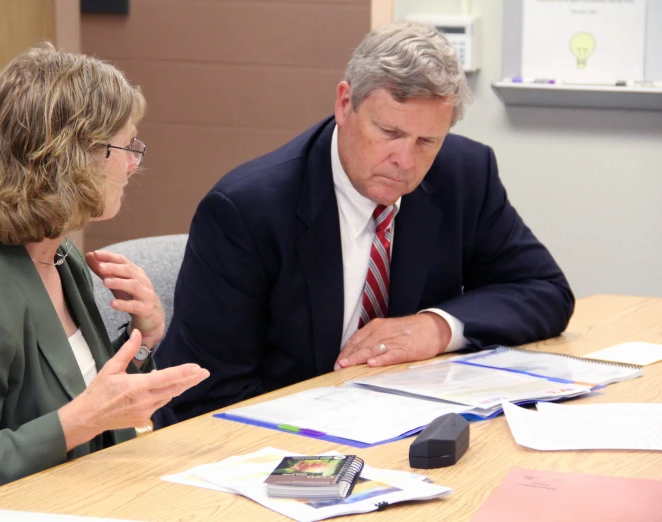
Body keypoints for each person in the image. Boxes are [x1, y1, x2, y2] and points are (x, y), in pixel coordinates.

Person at [154, 20, 574, 423]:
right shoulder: (246, 211)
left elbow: (545, 292)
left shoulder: (464, 174)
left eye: (427, 141)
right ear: (343, 104)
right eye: (389, 132)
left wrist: (437, 328)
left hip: (406, 424)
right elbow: (205, 394)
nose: (405, 162)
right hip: (279, 443)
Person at [0, 44, 209, 520]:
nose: (133, 165)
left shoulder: (57, 254)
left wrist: (142, 342)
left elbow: (96, 407)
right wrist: (79, 420)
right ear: (70, 158)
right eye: (125, 148)